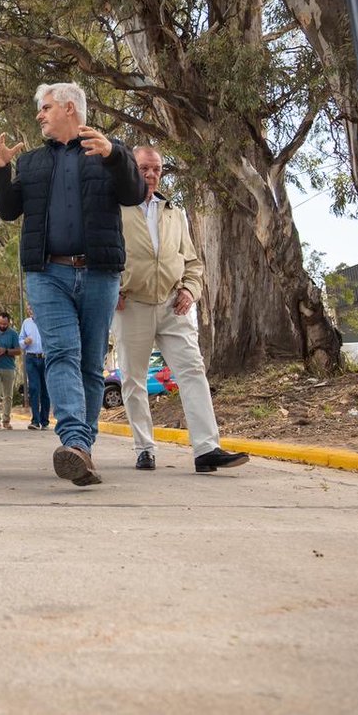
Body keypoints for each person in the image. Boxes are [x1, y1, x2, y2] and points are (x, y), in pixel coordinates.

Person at [0, 82, 145, 486]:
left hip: (99, 272)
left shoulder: (109, 151)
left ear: (69, 109)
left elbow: (135, 193)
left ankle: (81, 451)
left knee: (91, 364)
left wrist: (115, 157)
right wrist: (1, 169)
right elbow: (8, 211)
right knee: (61, 353)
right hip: (47, 273)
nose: (39, 115)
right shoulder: (34, 163)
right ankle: (73, 440)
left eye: (45, 108)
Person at [116, 147, 249, 472]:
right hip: (131, 303)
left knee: (192, 371)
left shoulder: (174, 211)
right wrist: (111, 287)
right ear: (132, 169)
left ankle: (207, 449)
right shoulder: (115, 209)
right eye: (144, 168)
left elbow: (192, 262)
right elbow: (102, 251)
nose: (151, 175)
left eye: (157, 169)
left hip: (172, 306)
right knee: (133, 379)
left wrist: (190, 289)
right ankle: (144, 448)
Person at [20, 303, 50, 430]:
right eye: (28, 309)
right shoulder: (26, 323)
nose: (30, 310)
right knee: (34, 389)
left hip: (45, 358)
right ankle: (35, 421)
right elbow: (20, 341)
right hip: (31, 358)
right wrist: (24, 342)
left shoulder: (47, 320)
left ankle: (45, 421)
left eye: (32, 308)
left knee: (45, 391)